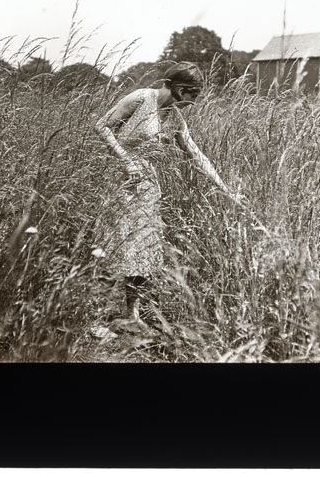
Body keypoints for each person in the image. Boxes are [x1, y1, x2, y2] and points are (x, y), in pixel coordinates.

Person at [94, 61, 241, 336]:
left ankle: (131, 314)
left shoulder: (174, 117)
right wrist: (126, 161)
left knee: (143, 249)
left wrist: (225, 188)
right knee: (114, 245)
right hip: (121, 181)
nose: (193, 103)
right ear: (181, 88)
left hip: (148, 186)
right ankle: (95, 319)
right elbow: (102, 126)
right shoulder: (141, 98)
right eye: (193, 96)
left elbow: (195, 153)